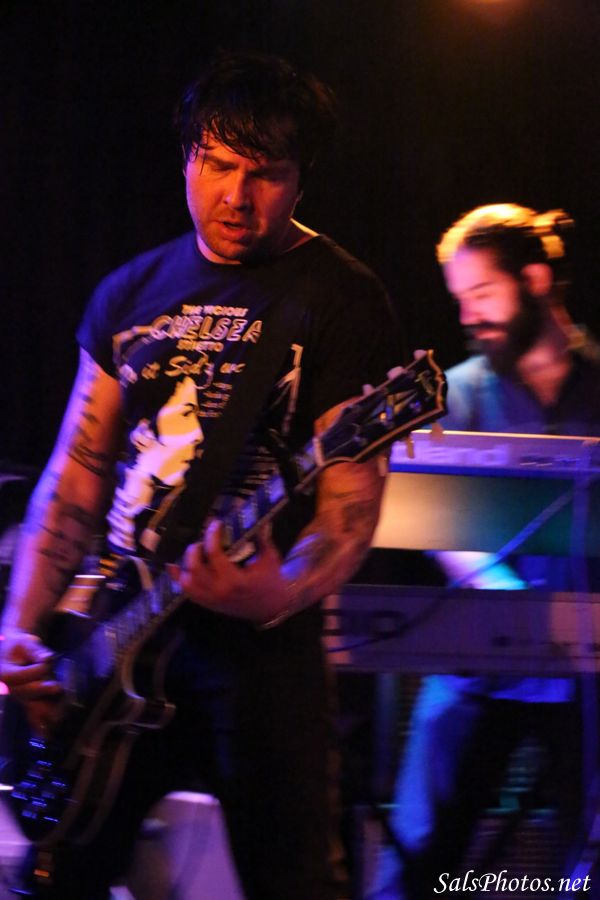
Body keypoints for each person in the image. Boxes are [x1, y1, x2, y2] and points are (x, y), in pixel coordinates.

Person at [0, 50, 399, 899]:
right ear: (188, 158)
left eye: (266, 173)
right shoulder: (129, 291)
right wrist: (21, 630)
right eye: (218, 165)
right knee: (61, 876)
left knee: (295, 883)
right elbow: (77, 475)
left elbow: (349, 507)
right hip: (113, 636)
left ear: (302, 177)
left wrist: (279, 591)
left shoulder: (342, 299)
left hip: (260, 654)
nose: (237, 196)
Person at [370, 203, 600, 899]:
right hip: (481, 668)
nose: (469, 315)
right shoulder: (460, 393)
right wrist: (513, 603)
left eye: (483, 293)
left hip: (589, 681)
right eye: (460, 299)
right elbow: (444, 529)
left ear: (535, 280)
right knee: (419, 862)